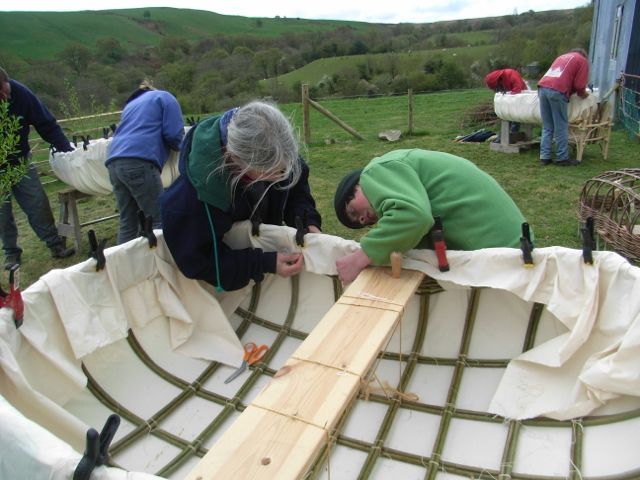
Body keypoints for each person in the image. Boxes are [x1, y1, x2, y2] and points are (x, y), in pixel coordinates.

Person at [160, 100, 322, 292]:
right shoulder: (191, 200)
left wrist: (307, 220)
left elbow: (295, 190)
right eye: (270, 172)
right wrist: (264, 263)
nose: (279, 176)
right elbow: (198, 261)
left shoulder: (276, 147)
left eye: (284, 168)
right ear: (234, 159)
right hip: (224, 289)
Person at [333, 149, 529, 284]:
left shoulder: (376, 171)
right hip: (512, 248)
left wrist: (360, 258)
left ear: (357, 185)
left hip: (506, 255)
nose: (362, 219)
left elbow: (414, 217)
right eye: (359, 222)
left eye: (353, 211)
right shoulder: (401, 179)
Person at [0, 66, 76, 267]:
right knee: (2, 213)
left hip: (20, 161)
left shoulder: (22, 94)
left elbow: (46, 124)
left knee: (37, 203)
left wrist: (67, 150)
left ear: (8, 82)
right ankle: (11, 253)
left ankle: (55, 245)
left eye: (5, 92)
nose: (3, 97)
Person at [106, 80, 184, 244]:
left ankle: (124, 266)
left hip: (114, 162)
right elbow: (173, 135)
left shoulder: (131, 105)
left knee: (128, 222)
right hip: (139, 161)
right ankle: (163, 265)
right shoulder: (165, 97)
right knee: (159, 220)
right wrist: (186, 148)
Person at [537, 48, 590, 166]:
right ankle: (562, 157)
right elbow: (579, 85)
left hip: (542, 88)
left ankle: (545, 156)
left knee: (547, 126)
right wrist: (583, 94)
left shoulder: (562, 57)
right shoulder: (582, 61)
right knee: (561, 125)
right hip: (557, 91)